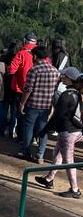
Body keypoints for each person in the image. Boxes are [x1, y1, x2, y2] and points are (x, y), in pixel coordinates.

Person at [35, 69, 82, 198]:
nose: (61, 77)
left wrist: (44, 130)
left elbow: (57, 116)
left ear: (69, 78)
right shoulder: (77, 93)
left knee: (69, 161)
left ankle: (75, 189)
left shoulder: (66, 95)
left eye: (64, 75)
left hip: (68, 132)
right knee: (57, 154)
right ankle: (49, 179)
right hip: (76, 130)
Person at [18, 45, 59, 163]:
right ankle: (40, 155)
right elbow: (54, 90)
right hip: (46, 106)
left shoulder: (34, 70)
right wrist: (52, 106)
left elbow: (28, 89)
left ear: (35, 56)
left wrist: (22, 103)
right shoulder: (55, 71)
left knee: (28, 129)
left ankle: (26, 152)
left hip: (32, 105)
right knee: (43, 130)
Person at [9, 33, 39, 138]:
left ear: (25, 41)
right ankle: (33, 137)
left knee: (19, 113)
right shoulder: (42, 54)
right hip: (37, 90)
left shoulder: (21, 54)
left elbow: (11, 70)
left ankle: (19, 136)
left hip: (20, 89)